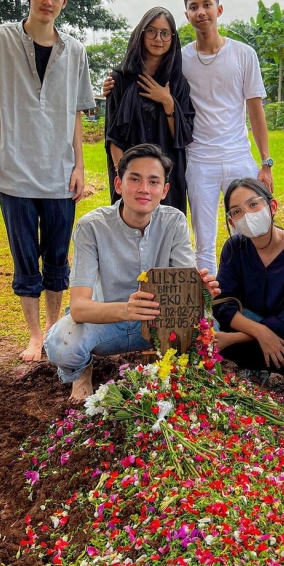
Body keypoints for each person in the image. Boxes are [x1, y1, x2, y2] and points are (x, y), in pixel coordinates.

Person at [0, 0, 94, 362]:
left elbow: (77, 112)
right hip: (12, 170)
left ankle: (57, 328)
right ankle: (35, 336)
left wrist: (79, 166)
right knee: (25, 258)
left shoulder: (75, 51)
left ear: (64, 2)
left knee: (58, 258)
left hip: (58, 173)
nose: (48, 0)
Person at [105, 0, 273, 274]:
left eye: (206, 5)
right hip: (197, 160)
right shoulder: (181, 59)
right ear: (187, 15)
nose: (201, 12)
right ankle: (207, 307)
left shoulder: (243, 54)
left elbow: (256, 110)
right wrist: (112, 84)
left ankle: (248, 295)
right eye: (193, 7)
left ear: (218, 9)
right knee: (203, 241)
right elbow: (142, 73)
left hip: (238, 156)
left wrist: (265, 161)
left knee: (250, 231)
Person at [44, 143, 219, 402]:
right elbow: (79, 308)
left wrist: (198, 290)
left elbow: (183, 290)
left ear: (164, 190)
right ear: (118, 185)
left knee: (210, 326)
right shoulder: (92, 227)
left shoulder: (174, 221)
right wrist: (126, 310)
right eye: (134, 179)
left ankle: (166, 365)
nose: (144, 189)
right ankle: (82, 372)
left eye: (153, 182)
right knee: (62, 345)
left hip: (154, 320)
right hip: (104, 322)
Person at [213, 178, 284, 383]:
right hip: (251, 321)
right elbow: (223, 303)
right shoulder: (235, 247)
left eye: (253, 204)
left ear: (272, 206)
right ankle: (261, 361)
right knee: (211, 329)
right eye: (236, 211)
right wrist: (260, 331)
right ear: (231, 222)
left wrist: (233, 338)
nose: (246, 215)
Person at [105, 7, 194, 213]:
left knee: (167, 231)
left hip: (168, 172)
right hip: (130, 173)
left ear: (172, 39)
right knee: (129, 230)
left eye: (165, 33)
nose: (158, 39)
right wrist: (123, 175)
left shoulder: (178, 83)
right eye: (151, 31)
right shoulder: (119, 79)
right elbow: (113, 136)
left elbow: (183, 135)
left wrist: (167, 101)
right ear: (141, 34)